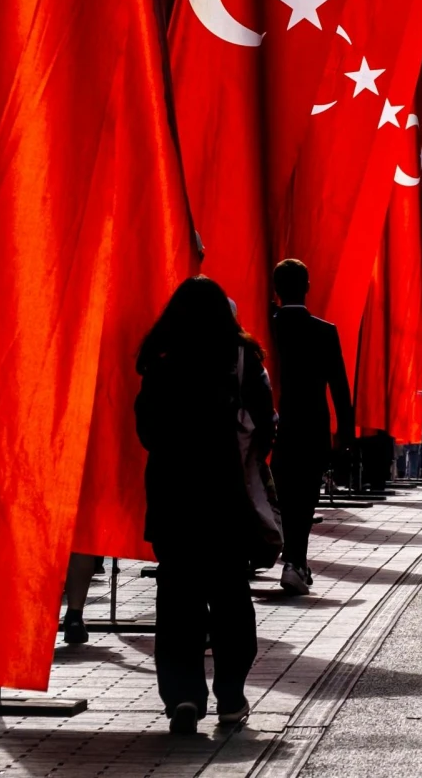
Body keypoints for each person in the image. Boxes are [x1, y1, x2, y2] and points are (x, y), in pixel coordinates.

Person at [137, 276, 276, 735]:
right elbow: (265, 426)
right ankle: (231, 695)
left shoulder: (161, 361)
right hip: (225, 494)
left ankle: (183, 696)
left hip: (174, 496)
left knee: (178, 599)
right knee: (231, 598)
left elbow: (147, 431)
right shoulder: (241, 358)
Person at [267, 260, 353, 595]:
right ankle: (295, 563)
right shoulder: (325, 331)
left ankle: (292, 559)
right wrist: (345, 436)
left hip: (277, 422)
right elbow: (340, 387)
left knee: (284, 494)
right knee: (305, 495)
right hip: (314, 423)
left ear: (276, 289)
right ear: (307, 286)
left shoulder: (267, 328)